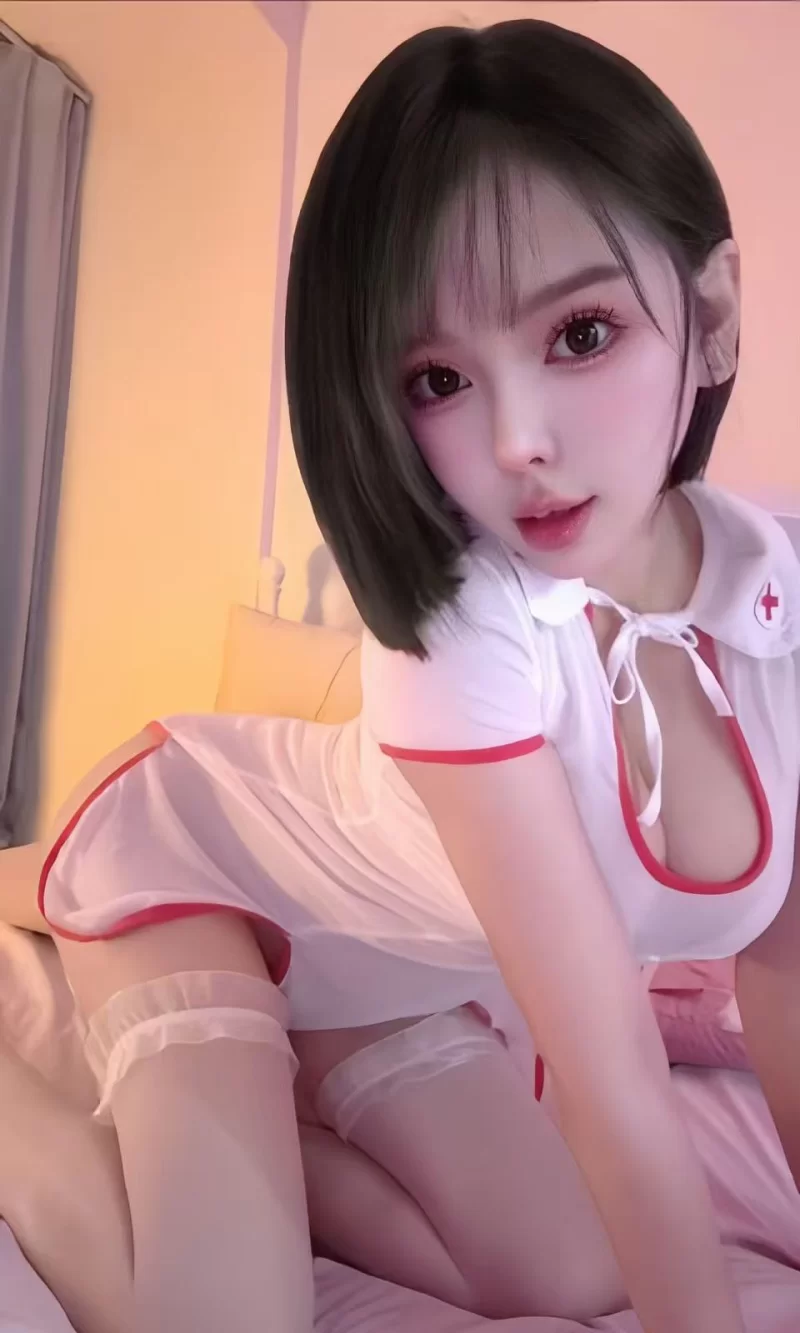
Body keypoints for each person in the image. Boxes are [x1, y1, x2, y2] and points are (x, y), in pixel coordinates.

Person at [1, 17, 798, 1333]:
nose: (516, 440)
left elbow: (785, 978)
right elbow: (608, 1065)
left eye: (582, 332)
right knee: (226, 1319)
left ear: (710, 319)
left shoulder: (782, 603)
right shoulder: (458, 628)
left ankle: (269, 1109)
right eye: (437, 377)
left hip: (380, 977)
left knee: (572, 1280)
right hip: (205, 870)